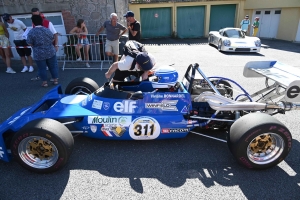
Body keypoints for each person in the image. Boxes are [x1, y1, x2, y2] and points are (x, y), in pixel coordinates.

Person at [27, 15, 58, 87]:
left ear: (33, 23)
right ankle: (55, 80)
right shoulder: (47, 30)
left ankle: (45, 82)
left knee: (42, 68)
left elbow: (29, 42)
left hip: (38, 52)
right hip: (50, 51)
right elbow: (53, 38)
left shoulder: (32, 32)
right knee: (53, 66)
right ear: (42, 21)